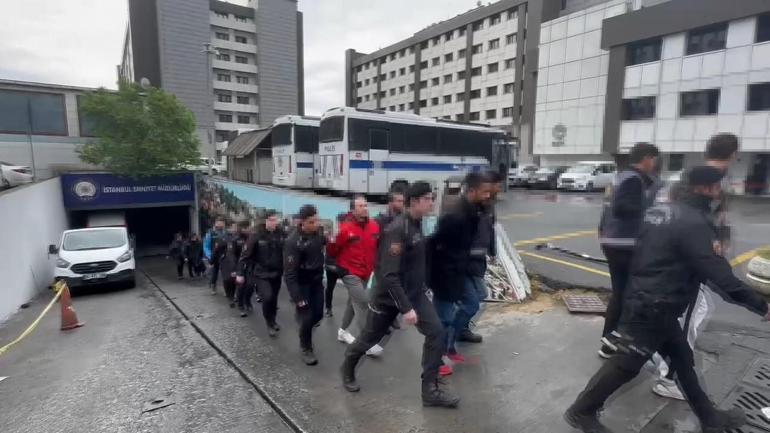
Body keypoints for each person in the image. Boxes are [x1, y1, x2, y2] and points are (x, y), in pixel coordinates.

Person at [565, 166, 770, 433]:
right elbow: (719, 275)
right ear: (705, 189)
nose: (721, 192)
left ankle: (711, 419)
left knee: (682, 361)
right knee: (627, 365)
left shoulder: (658, 212)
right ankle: (581, 411)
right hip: (654, 306)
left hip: (651, 300)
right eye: (718, 187)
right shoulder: (694, 223)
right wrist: (761, 305)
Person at [341, 181, 460, 408]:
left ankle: (430, 390)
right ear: (414, 202)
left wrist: (425, 287)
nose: (432, 202)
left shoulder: (418, 224)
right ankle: (347, 367)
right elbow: (389, 275)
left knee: (436, 332)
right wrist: (405, 308)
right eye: (428, 198)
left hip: (414, 294)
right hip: (389, 299)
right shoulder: (397, 230)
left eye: (432, 198)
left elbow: (415, 263)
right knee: (369, 339)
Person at [652, 133, 740, 400]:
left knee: (692, 311)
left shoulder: (683, 175)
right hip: (686, 260)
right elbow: (714, 220)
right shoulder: (717, 182)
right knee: (690, 313)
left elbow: (662, 211)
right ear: (734, 154)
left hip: (675, 255)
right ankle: (668, 375)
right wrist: (714, 245)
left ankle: (660, 352)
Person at [597, 142, 660, 358]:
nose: (655, 165)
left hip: (613, 241)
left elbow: (607, 208)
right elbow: (621, 208)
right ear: (647, 159)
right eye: (654, 160)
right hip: (624, 243)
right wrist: (650, 211)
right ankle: (612, 340)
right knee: (626, 294)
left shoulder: (620, 177)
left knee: (621, 292)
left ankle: (609, 340)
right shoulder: (634, 180)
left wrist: (601, 230)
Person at [430, 172, 494, 374]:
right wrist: (434, 278)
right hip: (443, 275)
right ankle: (435, 362)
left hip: (458, 272)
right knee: (443, 320)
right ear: (472, 191)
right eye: (485, 192)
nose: (488, 196)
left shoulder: (474, 211)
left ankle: (448, 348)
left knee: (469, 305)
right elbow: (434, 245)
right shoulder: (455, 215)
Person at [331, 195, 382, 356]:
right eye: (360, 206)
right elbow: (333, 249)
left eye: (365, 205)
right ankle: (366, 342)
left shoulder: (374, 226)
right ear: (353, 210)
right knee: (363, 302)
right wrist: (340, 266)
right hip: (349, 272)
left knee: (352, 303)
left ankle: (342, 331)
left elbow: (378, 246)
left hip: (366, 272)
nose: (364, 208)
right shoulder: (345, 229)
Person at [284, 205, 326, 366]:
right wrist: (298, 298)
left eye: (317, 220)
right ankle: (306, 347)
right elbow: (290, 274)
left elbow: (325, 243)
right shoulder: (292, 242)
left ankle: (304, 325)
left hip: (316, 282)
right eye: (312, 222)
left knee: (318, 315)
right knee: (307, 318)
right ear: (302, 223)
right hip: (302, 285)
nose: (316, 224)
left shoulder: (318, 233)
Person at [238, 210, 285, 331]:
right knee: (267, 297)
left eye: (276, 220)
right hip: (261, 273)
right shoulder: (256, 235)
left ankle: (273, 320)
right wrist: (240, 273)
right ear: (266, 221)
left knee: (274, 299)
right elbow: (245, 255)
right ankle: (269, 322)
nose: (274, 222)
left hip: (277, 273)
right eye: (272, 220)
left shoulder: (281, 234)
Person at [324, 212, 348, 317]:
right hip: (333, 266)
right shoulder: (333, 234)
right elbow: (330, 251)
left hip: (340, 266)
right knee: (330, 287)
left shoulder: (347, 233)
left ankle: (328, 308)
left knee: (352, 288)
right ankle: (328, 308)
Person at [203, 216, 228, 295]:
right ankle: (213, 287)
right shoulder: (210, 232)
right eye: (219, 222)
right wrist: (210, 256)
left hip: (224, 256)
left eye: (223, 223)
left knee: (225, 274)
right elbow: (206, 246)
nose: (221, 224)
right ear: (216, 223)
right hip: (214, 256)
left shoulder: (226, 233)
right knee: (214, 273)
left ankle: (226, 289)